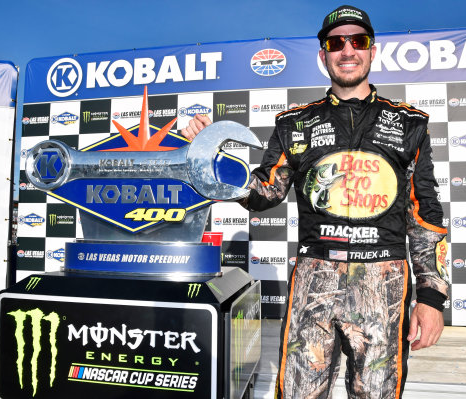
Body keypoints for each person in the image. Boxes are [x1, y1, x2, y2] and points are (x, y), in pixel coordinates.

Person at [181, 5, 449, 398]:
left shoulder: (410, 124)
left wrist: (430, 298)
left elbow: (425, 216)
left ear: (372, 51)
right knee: (297, 394)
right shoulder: (295, 124)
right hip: (314, 278)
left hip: (385, 282)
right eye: (335, 43)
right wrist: (214, 160)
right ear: (323, 54)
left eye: (357, 41)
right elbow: (264, 194)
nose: (347, 51)